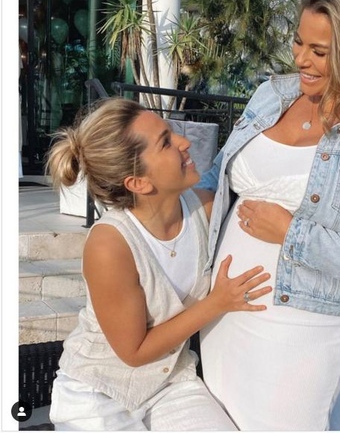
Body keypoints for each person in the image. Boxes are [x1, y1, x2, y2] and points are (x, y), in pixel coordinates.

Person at [197, 0, 340, 430]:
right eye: (298, 42)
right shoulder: (270, 94)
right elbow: (217, 177)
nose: (301, 59)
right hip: (222, 313)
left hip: (301, 331)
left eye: (319, 51)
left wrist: (292, 234)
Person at [45, 98, 272, 430]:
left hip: (171, 382)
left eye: (171, 132)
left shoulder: (205, 209)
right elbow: (134, 352)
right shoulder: (111, 244)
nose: (184, 142)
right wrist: (217, 303)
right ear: (139, 182)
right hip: (99, 393)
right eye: (166, 142)